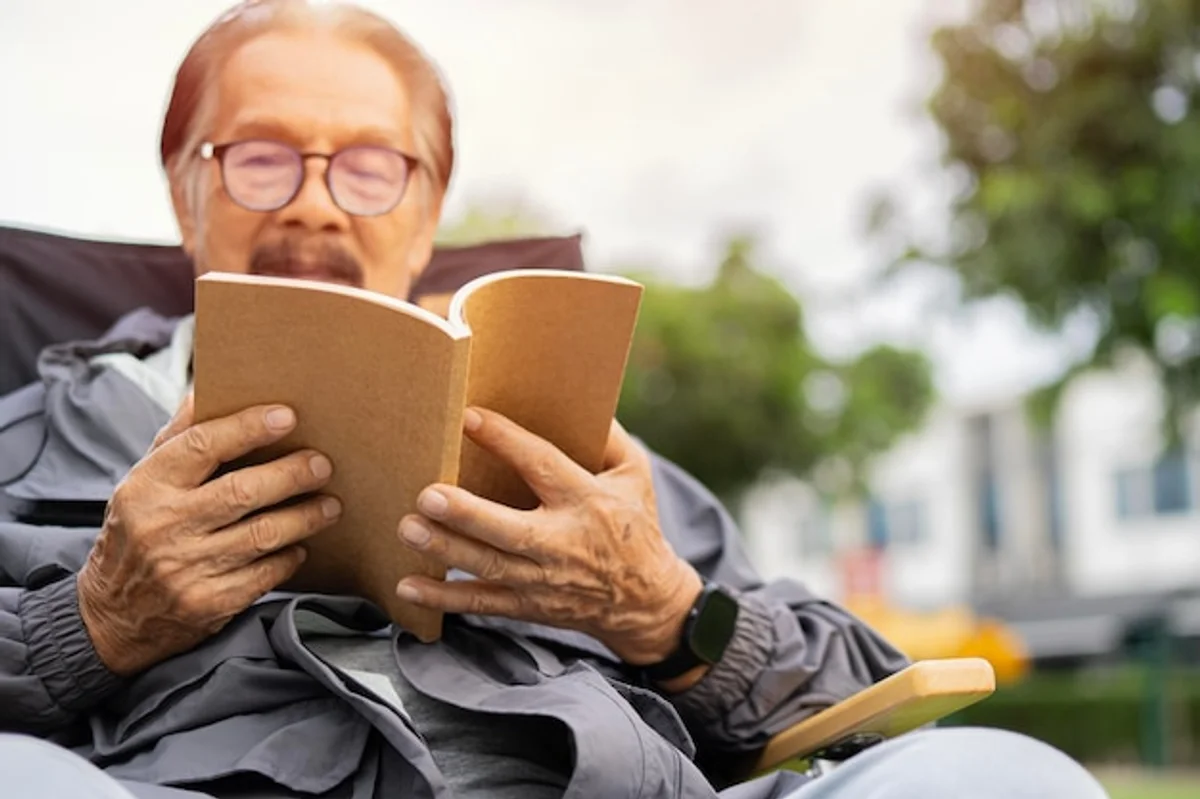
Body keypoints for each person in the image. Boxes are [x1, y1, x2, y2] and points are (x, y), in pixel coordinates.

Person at [0, 2, 1109, 797]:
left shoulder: (580, 453)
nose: (316, 206)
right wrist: (89, 623)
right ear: (183, 188)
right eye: (259, 158)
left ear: (428, 210)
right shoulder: (40, 440)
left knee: (1013, 776)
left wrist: (665, 608)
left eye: (372, 166)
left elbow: (864, 686)